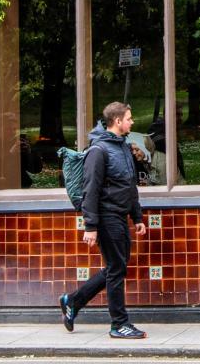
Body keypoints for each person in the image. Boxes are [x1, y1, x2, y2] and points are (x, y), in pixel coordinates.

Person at [60, 102, 147, 339]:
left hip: (120, 216)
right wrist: (91, 225)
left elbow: (129, 185)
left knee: (115, 267)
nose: (132, 122)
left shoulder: (123, 147)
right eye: (129, 118)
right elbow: (91, 189)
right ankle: (119, 324)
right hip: (107, 217)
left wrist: (136, 216)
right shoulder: (99, 151)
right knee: (116, 269)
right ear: (117, 121)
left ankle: (72, 302)